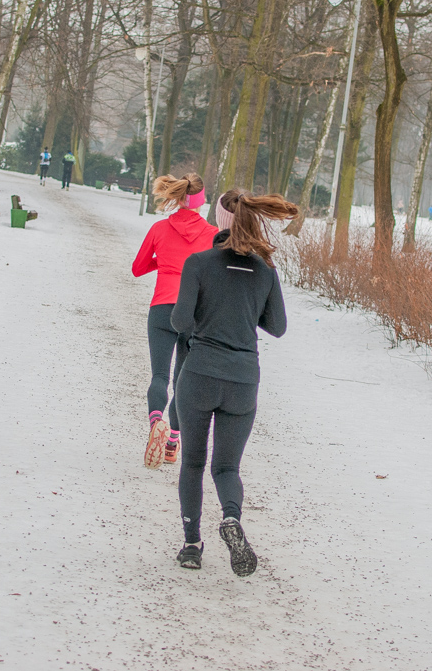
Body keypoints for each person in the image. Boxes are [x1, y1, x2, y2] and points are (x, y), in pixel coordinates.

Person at [169, 189, 298, 576]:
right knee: (226, 468)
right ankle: (231, 518)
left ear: (219, 223)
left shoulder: (199, 263)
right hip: (243, 380)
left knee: (192, 462)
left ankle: (192, 545)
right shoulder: (265, 270)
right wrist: (245, 312)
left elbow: (179, 322)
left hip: (201, 374)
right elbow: (277, 327)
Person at [131, 173, 216, 469]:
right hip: (194, 314)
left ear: (177, 197)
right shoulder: (213, 235)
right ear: (201, 201)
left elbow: (138, 268)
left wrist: (164, 262)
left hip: (161, 308)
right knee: (183, 382)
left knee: (159, 377)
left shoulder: (159, 228)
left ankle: (156, 420)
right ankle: (172, 442)